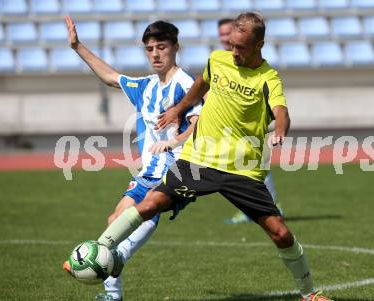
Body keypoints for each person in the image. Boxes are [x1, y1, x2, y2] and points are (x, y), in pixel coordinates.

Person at [79, 12, 333, 301]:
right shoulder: (218, 59)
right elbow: (200, 86)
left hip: (241, 170)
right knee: (151, 203)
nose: (234, 52)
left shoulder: (268, 78)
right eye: (232, 45)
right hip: (198, 161)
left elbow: (281, 112)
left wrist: (281, 131)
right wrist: (177, 110)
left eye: (241, 47)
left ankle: (309, 293)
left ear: (259, 45)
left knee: (281, 234)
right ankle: (97, 250)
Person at [62, 17, 202, 301]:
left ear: (175, 47)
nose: (155, 54)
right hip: (149, 170)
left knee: (142, 212)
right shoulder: (147, 86)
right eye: (149, 49)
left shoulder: (185, 83)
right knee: (115, 219)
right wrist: (78, 47)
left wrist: (173, 141)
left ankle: (114, 257)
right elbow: (112, 77)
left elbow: (199, 122)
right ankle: (112, 292)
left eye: (161, 47)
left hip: (180, 168)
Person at [217, 18, 281, 225]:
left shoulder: (250, 61)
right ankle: (259, 207)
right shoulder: (222, 62)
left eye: (228, 33)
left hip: (250, 123)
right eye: (222, 35)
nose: (225, 38)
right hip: (229, 125)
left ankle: (269, 206)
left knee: (254, 164)